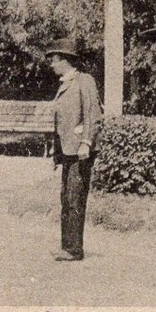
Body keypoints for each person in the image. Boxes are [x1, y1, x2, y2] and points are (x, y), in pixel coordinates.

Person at [45, 37, 102, 261]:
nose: (51, 65)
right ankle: (67, 246)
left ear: (66, 60)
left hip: (80, 150)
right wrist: (56, 152)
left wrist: (87, 142)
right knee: (66, 198)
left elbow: (92, 114)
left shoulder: (84, 81)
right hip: (67, 150)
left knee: (75, 199)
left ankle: (74, 249)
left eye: (54, 60)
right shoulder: (65, 84)